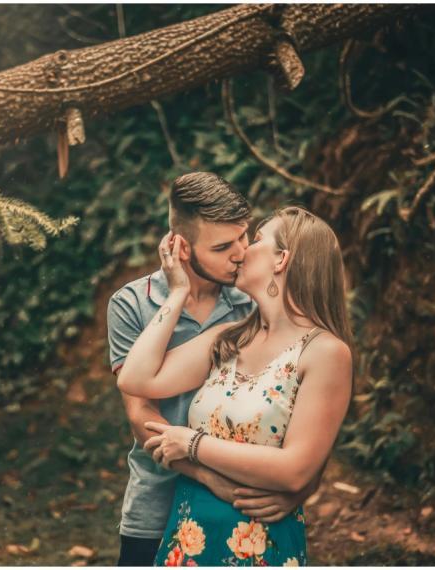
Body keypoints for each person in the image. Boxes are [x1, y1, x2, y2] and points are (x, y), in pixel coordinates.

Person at [107, 173, 324, 566]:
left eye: (245, 237)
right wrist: (209, 478)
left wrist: (300, 485)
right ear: (183, 249)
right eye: (223, 246)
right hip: (157, 499)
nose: (240, 253)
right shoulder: (131, 305)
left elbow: (306, 411)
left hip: (243, 501)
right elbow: (142, 416)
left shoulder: (252, 303)